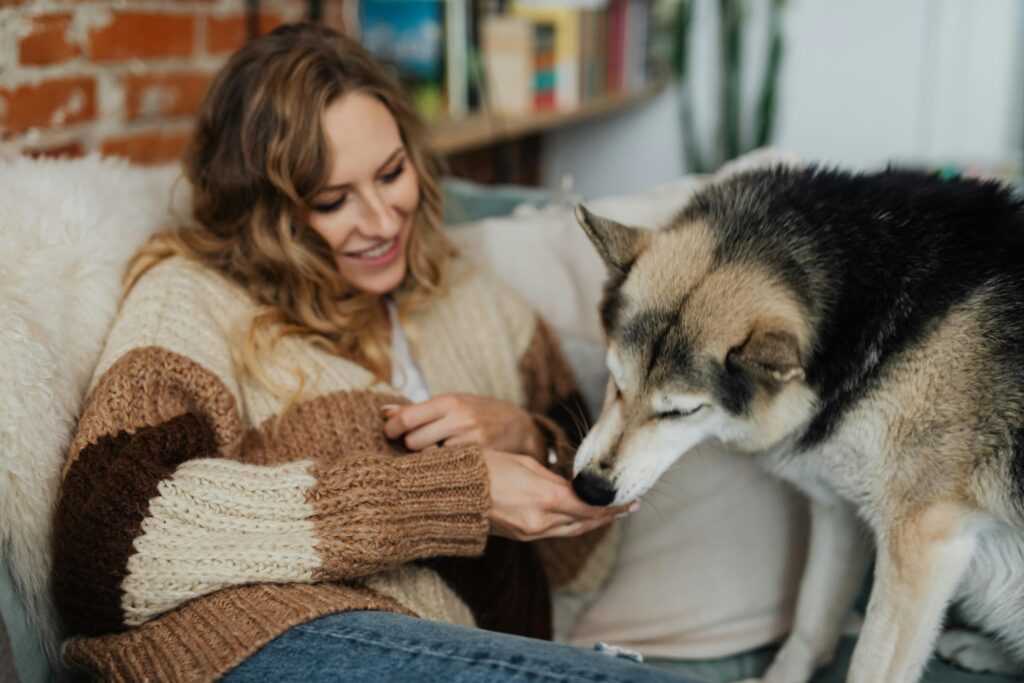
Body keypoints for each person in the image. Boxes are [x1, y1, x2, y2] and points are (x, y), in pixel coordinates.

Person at [49, 23, 699, 683]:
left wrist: (530, 438)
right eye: (333, 201)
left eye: (392, 174)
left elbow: (583, 559)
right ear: (268, 214)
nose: (383, 220)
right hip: (252, 644)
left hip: (438, 646)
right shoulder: (195, 295)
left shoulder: (477, 302)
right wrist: (454, 495)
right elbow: (103, 544)